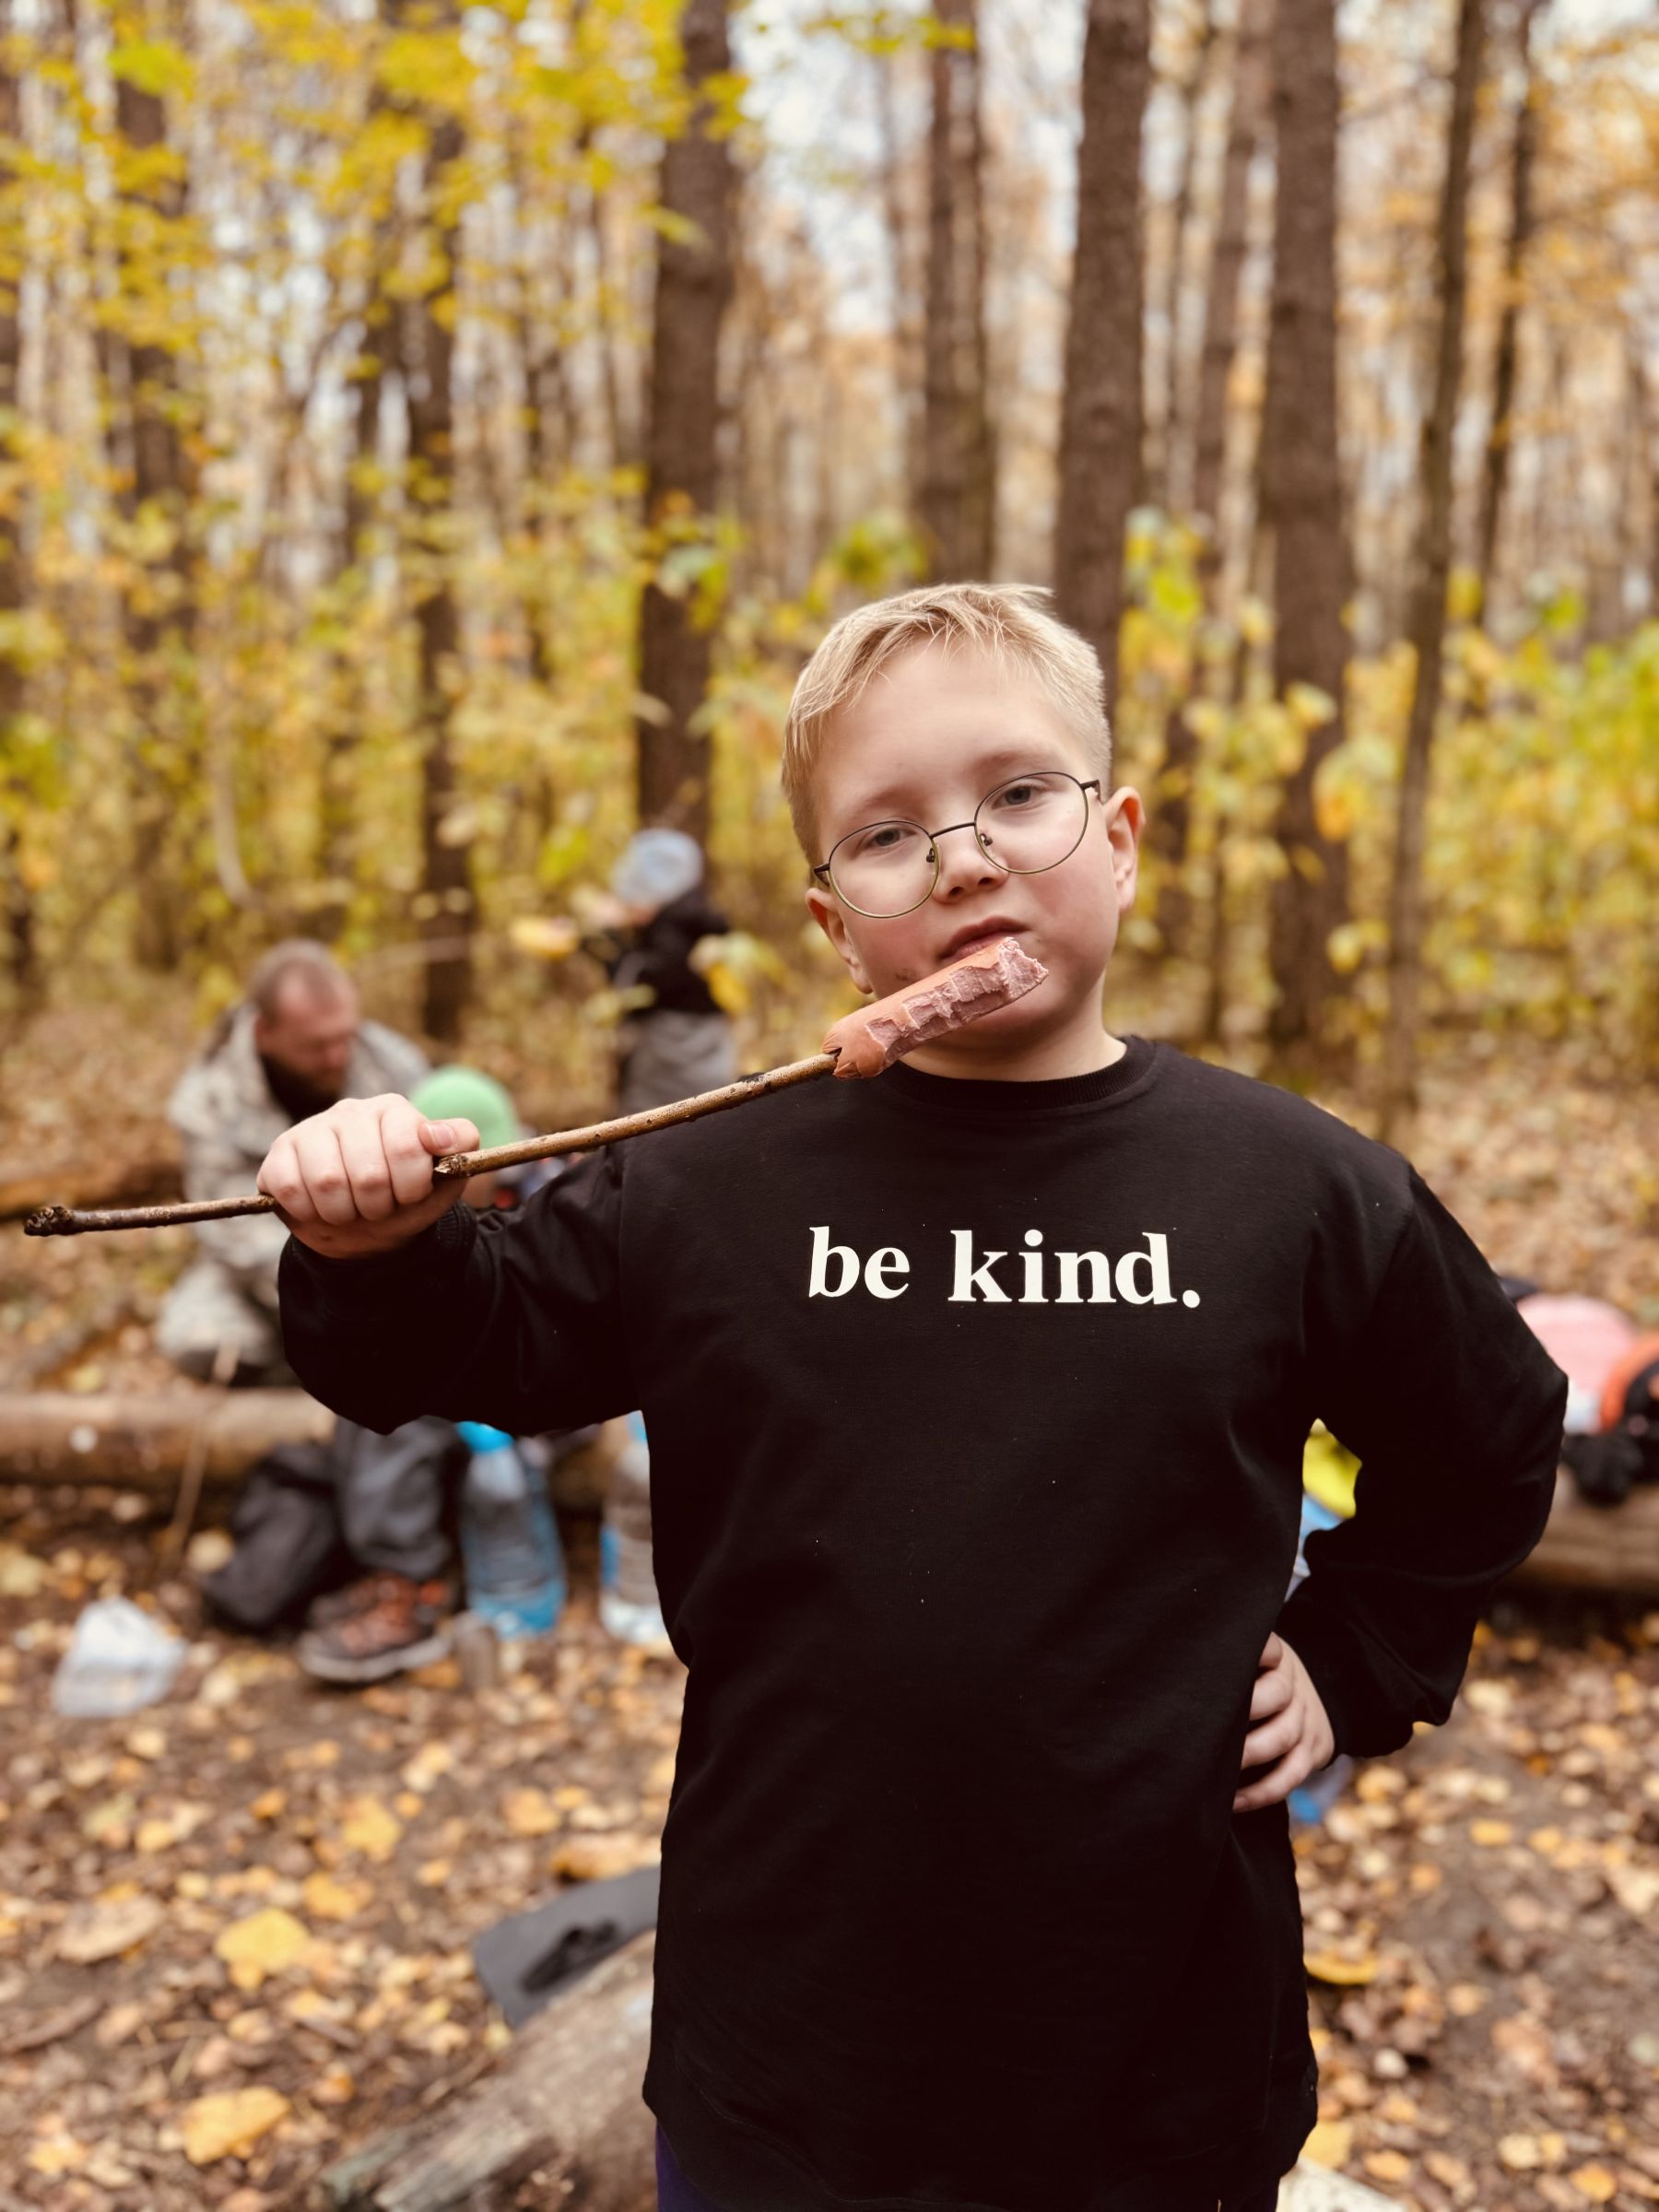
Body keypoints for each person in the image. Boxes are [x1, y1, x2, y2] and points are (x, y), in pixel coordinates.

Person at [261, 584, 1567, 2212]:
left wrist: (1358, 1654)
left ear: (1124, 836)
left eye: (1020, 794)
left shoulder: (1288, 1184)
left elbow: (1495, 1431)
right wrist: (374, 1238)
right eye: (888, 834)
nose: (962, 856)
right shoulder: (711, 1183)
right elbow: (448, 1354)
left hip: (1161, 2058)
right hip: (789, 2055)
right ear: (833, 922)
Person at [296, 1065, 574, 1685]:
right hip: (472, 1372)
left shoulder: (553, 1195)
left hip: (549, 1391)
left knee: (406, 1421)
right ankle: (390, 1568)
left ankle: (414, 1591)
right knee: (370, 1404)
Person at [156, 940, 429, 1386]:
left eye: (345, 1037)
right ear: (265, 1032)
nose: (337, 1058)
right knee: (198, 1335)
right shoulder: (207, 1101)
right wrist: (350, 1290)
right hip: (280, 1273)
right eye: (316, 1046)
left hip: (400, 1254)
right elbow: (239, 1241)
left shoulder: (391, 1060)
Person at [591, 828, 735, 1113]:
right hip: (710, 1040)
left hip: (670, 1046)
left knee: (656, 1122)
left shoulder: (670, 930)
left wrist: (605, 939)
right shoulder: (696, 920)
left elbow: (640, 981)